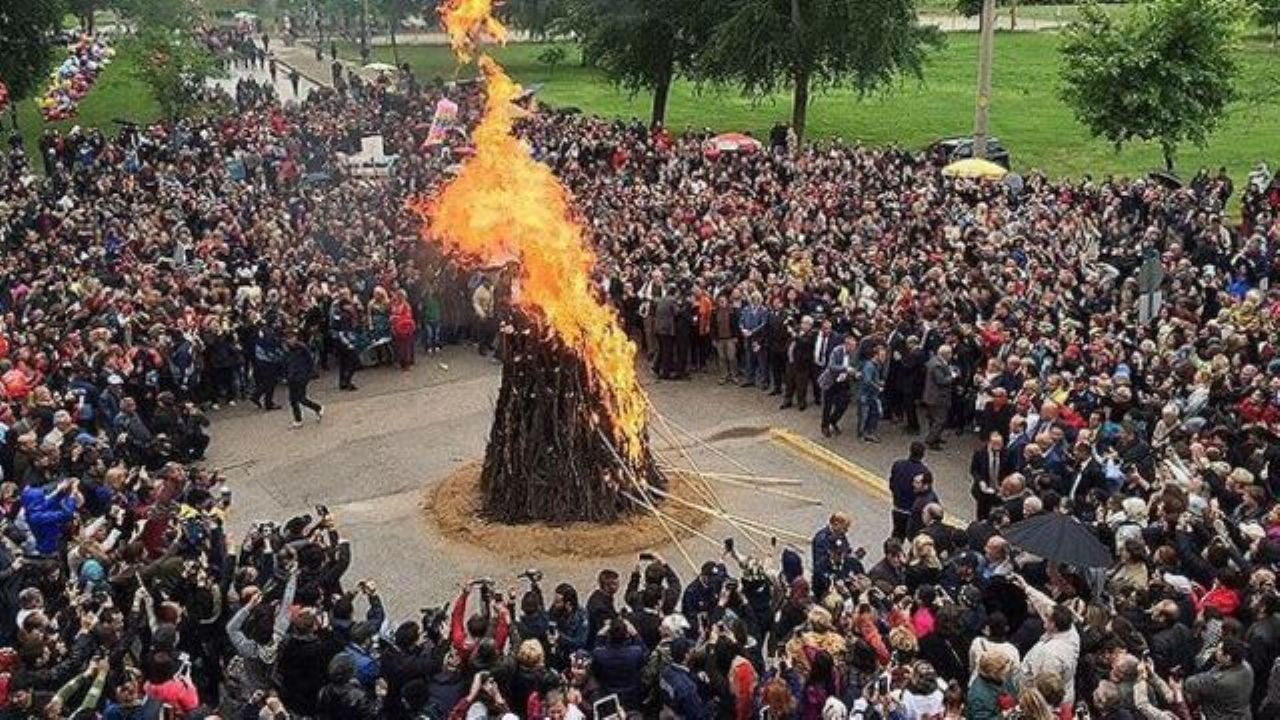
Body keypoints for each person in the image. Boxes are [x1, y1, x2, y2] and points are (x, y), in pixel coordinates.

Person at [889, 442, 930, 539]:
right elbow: (926, 493)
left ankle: (893, 552)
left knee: (897, 534)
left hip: (898, 506)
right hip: (913, 510)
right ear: (923, 455)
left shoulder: (898, 464)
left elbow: (892, 483)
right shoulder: (924, 471)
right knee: (916, 538)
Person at [819, 334, 858, 437]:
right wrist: (845, 368)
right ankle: (825, 426)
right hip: (831, 382)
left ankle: (833, 420)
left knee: (843, 404)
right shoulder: (837, 351)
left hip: (843, 382)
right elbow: (831, 366)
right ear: (847, 345)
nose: (854, 349)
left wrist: (855, 373)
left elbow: (854, 366)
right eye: (853, 346)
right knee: (827, 405)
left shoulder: (853, 354)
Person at [923, 344, 959, 449]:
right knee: (940, 420)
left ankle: (936, 436)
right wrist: (952, 376)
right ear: (946, 354)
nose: (951, 355)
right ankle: (931, 440)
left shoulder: (934, 361)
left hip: (932, 396)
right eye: (950, 353)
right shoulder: (937, 365)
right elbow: (941, 380)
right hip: (938, 397)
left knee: (933, 419)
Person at [285, 331, 324, 428]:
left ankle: (317, 407)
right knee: (293, 400)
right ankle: (298, 420)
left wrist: (310, 373)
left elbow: (310, 361)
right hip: (291, 377)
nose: (290, 340)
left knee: (301, 398)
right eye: (288, 338)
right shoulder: (286, 349)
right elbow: (286, 363)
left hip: (302, 376)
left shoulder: (302, 348)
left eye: (292, 338)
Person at [968, 432, 1006, 520]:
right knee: (982, 512)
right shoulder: (979, 452)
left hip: (999, 490)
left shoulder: (1007, 452)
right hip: (984, 490)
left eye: (1000, 444)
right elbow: (974, 470)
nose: (998, 447)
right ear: (989, 443)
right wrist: (980, 481)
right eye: (995, 444)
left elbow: (1010, 470)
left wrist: (1004, 486)